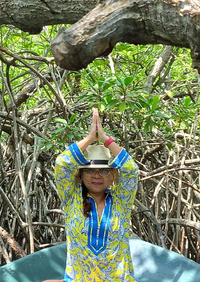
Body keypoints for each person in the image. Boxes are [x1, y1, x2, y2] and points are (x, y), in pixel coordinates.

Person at [43, 108, 139, 282]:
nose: (96, 175)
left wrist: (104, 138)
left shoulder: (121, 201)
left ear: (112, 175)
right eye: (89, 170)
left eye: (103, 171)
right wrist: (89, 138)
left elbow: (131, 169)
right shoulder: (72, 198)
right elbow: (61, 163)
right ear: (80, 175)